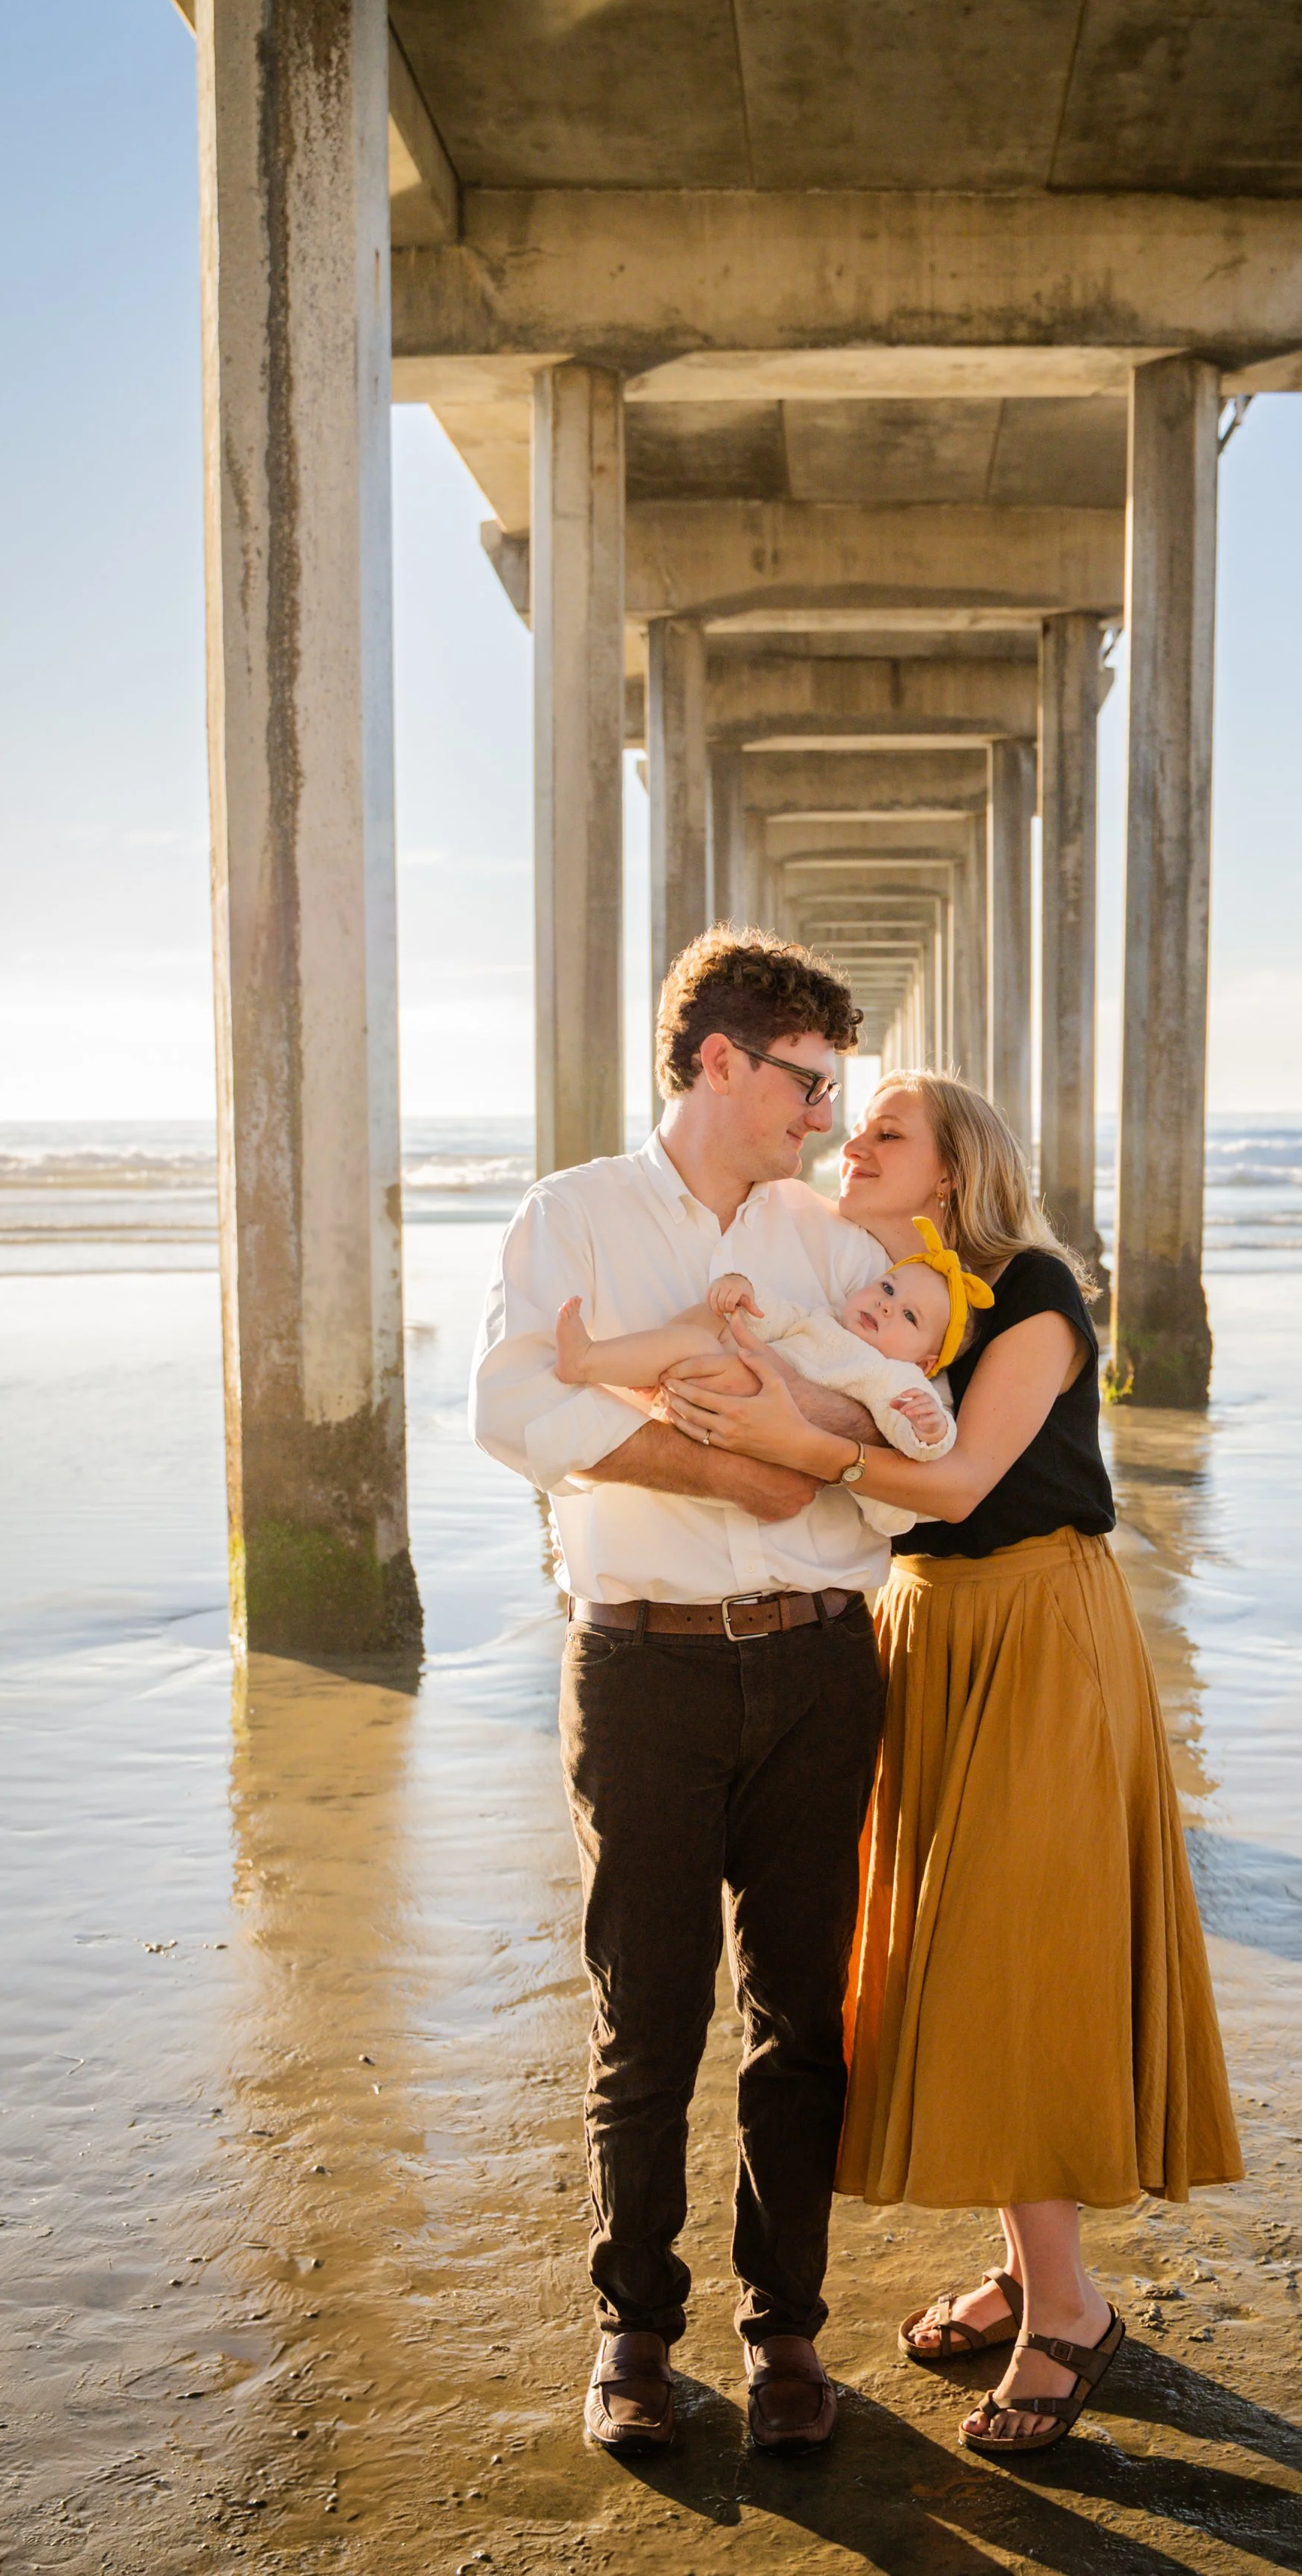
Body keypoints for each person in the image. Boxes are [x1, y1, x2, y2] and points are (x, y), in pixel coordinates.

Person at [660, 1070, 1244, 2461]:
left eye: (885, 1134)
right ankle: (1029, 2266)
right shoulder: (882, 1285)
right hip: (924, 1632)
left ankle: (1071, 2309)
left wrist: (788, 1444)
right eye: (847, 1126)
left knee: (1014, 1945)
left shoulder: (1032, 1289)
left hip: (1038, 1627)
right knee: (955, 1950)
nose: (852, 1144)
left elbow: (965, 1482)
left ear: (955, 1167)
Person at [470, 928, 908, 2460]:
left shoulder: (826, 1243)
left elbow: (899, 1427)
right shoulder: (572, 1216)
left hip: (815, 1662)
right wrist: (722, 1458)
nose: (823, 1118)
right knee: (644, 2018)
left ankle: (787, 2332)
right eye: (803, 1082)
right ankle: (632, 2336)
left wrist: (791, 1417)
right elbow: (514, 1405)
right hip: (641, 1664)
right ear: (716, 1059)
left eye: (834, 1089)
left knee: (802, 2018)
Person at [550, 1210, 988, 1462]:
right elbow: (767, 1316)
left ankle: (586, 1361)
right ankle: (650, 1373)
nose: (887, 1305)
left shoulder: (895, 1378)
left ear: (925, 1365)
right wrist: (743, 1289)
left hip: (762, 1425)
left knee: (697, 1346)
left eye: (909, 1316)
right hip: (732, 1386)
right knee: (711, 1317)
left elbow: (922, 1443)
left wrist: (930, 1429)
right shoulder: (822, 1320)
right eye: (888, 1288)